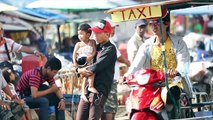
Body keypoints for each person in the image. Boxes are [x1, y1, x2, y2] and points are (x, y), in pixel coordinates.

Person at [124, 9, 190, 119]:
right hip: (152, 85)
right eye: (151, 24)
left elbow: (184, 63)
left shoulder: (179, 42)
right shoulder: (146, 45)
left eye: (157, 23)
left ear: (167, 24)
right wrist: (127, 76)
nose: (154, 27)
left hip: (173, 82)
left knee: (169, 93)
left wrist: (177, 71)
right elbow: (136, 64)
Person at [75, 19, 117, 120]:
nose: (95, 35)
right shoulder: (95, 47)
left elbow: (96, 67)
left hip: (99, 91)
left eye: (98, 33)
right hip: (86, 90)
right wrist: (78, 69)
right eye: (95, 32)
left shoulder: (110, 49)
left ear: (107, 34)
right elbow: (81, 62)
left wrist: (80, 71)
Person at [101, 20, 130, 120]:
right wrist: (127, 62)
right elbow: (119, 57)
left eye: (114, 28)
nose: (113, 30)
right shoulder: (109, 43)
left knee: (108, 107)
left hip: (108, 79)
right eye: (112, 28)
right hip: (110, 79)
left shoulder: (109, 42)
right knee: (110, 108)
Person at [72, 23, 97, 101]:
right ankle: (82, 93)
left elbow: (94, 51)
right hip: (82, 63)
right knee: (84, 78)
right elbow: (74, 54)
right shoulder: (78, 44)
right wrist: (75, 63)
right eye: (78, 34)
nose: (79, 36)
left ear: (88, 34)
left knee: (92, 73)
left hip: (90, 61)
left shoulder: (92, 42)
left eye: (81, 34)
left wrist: (90, 57)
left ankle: (90, 86)